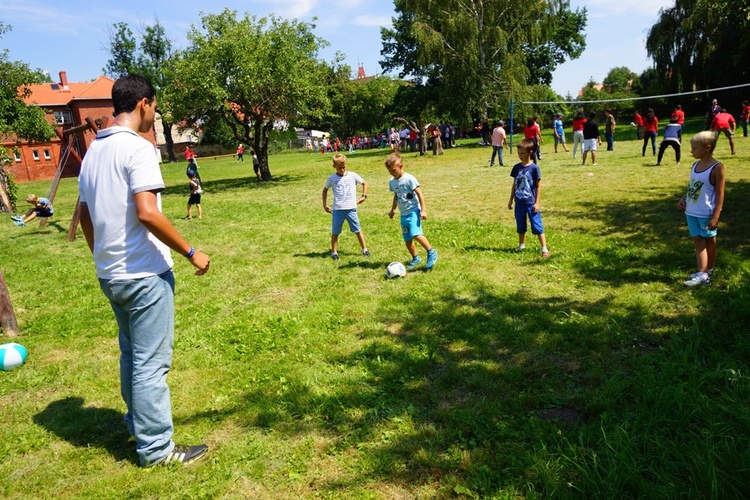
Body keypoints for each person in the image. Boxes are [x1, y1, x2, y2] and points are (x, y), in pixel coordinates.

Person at [78, 74, 211, 466]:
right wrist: (191, 252)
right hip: (144, 276)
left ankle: (138, 423)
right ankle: (156, 448)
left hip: (111, 274)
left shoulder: (93, 153)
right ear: (143, 104)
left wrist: (102, 255)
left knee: (131, 355)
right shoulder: (138, 149)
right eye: (155, 106)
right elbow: (148, 213)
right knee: (151, 364)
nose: (156, 112)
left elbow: (84, 215)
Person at [677, 131, 725, 286]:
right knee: (698, 242)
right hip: (691, 212)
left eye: (694, 148)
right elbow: (693, 187)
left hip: (707, 213)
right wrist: (684, 198)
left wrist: (716, 217)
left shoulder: (717, 168)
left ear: (707, 148)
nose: (691, 151)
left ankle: (705, 273)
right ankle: (703, 272)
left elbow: (719, 194)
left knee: (710, 241)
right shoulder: (694, 165)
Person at [385, 153, 438, 271]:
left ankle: (431, 252)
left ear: (401, 166)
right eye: (390, 172)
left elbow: (420, 193)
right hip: (403, 214)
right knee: (407, 239)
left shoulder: (409, 179)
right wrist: (393, 209)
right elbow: (396, 195)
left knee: (416, 234)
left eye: (394, 170)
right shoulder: (392, 181)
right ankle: (416, 258)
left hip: (413, 211)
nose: (392, 173)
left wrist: (423, 210)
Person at [322, 154, 369, 261]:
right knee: (335, 232)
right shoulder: (331, 178)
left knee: (357, 230)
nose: (342, 170)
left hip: (351, 208)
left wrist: (364, 196)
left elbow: (364, 183)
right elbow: (324, 190)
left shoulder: (352, 175)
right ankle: (334, 252)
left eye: (344, 167)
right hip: (338, 210)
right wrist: (324, 204)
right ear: (334, 166)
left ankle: (365, 249)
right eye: (339, 168)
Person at [508, 139, 550, 258]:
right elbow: (514, 184)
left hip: (531, 202)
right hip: (519, 202)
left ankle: (544, 249)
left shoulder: (534, 168)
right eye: (519, 153)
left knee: (537, 225)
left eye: (523, 153)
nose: (520, 156)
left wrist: (537, 203)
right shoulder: (516, 168)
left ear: (530, 152)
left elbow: (538, 186)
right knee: (520, 225)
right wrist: (511, 199)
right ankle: (521, 245)